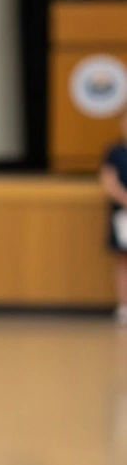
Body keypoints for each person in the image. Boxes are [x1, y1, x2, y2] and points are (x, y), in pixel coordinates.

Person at [100, 107, 127, 326]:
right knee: (122, 258)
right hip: (122, 213)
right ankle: (124, 305)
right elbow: (109, 183)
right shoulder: (114, 151)